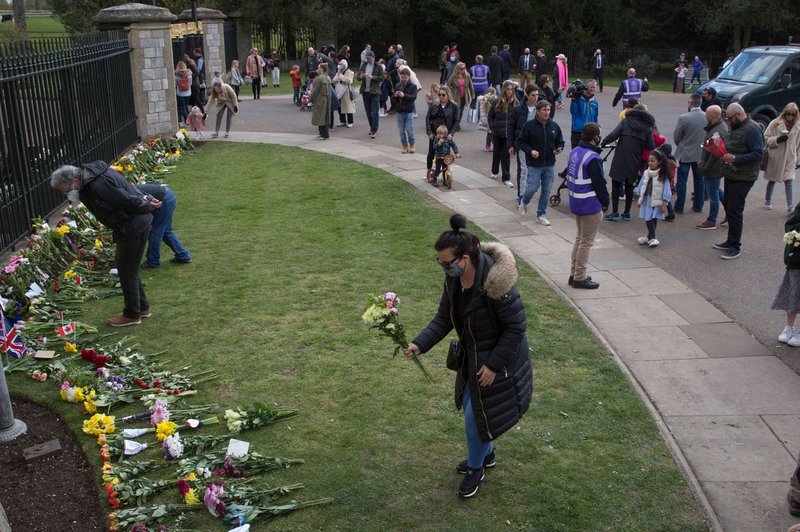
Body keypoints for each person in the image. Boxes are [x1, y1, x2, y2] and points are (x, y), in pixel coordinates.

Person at [402, 213, 533, 499]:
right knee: (472, 407)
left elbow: (516, 328)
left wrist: (494, 365)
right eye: (439, 262)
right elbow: (443, 318)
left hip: (498, 360)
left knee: (475, 418)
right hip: (473, 357)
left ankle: (476, 467)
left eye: (446, 263)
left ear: (464, 258)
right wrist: (418, 344)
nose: (443, 268)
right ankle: (486, 455)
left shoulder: (497, 283)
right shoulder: (454, 281)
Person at [49, 163, 160, 327]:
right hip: (130, 224)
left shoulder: (96, 185)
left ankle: (132, 314)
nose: (67, 194)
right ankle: (141, 308)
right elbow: (127, 189)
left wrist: (146, 204)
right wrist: (146, 199)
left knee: (126, 269)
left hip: (132, 225)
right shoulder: (93, 178)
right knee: (128, 267)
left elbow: (125, 199)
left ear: (74, 181)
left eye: (65, 190)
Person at [714, 103, 765, 260]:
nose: (728, 122)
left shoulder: (753, 129)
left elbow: (758, 154)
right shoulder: (736, 126)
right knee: (729, 207)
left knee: (735, 211)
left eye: (729, 118)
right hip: (731, 174)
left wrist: (736, 158)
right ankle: (730, 241)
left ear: (737, 115)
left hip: (744, 177)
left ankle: (735, 246)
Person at [567, 122, 609, 289]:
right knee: (586, 242)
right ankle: (579, 277)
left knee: (579, 239)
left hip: (576, 201)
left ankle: (574, 273)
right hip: (589, 204)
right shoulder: (593, 158)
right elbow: (600, 183)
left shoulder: (574, 152)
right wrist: (605, 202)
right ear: (595, 137)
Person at [602, 106, 656, 221]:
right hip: (634, 158)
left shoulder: (626, 122)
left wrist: (603, 143)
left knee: (616, 184)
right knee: (629, 185)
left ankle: (615, 212)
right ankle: (626, 213)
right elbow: (650, 146)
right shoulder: (647, 128)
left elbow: (614, 134)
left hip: (620, 156)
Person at [518, 100, 565, 225]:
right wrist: (530, 151)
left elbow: (560, 141)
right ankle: (524, 201)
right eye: (544, 110)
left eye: (548, 110)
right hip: (534, 164)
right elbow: (520, 142)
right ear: (538, 112)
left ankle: (541, 214)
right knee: (532, 187)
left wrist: (559, 148)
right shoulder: (529, 126)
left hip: (549, 163)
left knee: (546, 190)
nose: (547, 112)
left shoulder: (554, 126)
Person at [137, 184, 191, 269]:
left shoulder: (126, 196)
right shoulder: (126, 190)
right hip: (168, 196)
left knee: (155, 231)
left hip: (164, 200)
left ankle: (153, 261)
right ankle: (183, 255)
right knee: (166, 231)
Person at [673, 93, 707, 214]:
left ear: (690, 103)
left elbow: (677, 136)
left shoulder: (684, 117)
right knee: (699, 180)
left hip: (686, 152)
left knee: (682, 181)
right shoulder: (707, 117)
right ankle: (698, 205)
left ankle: (679, 206)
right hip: (700, 153)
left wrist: (682, 144)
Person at [763, 103, 800, 212]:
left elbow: (799, 145)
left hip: (790, 157)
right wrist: (778, 139)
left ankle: (790, 207)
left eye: (793, 114)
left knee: (789, 182)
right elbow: (766, 138)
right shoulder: (775, 123)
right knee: (772, 180)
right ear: (784, 113)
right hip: (776, 157)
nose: (790, 116)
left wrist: (798, 160)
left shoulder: (798, 126)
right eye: (788, 113)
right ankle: (767, 200)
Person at [697, 105, 729, 229]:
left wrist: (705, 165)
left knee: (713, 195)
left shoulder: (717, 130)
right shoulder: (718, 127)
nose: (705, 116)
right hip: (715, 167)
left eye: (707, 114)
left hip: (713, 168)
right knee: (717, 191)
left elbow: (714, 153)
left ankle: (711, 220)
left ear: (711, 116)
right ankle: (731, 212)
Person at [635, 150, 672, 248]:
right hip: (647, 199)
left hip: (656, 201)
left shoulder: (662, 175)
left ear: (659, 162)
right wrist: (640, 198)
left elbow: (667, 190)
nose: (650, 163)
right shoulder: (646, 173)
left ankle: (653, 236)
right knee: (649, 218)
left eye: (652, 161)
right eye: (649, 161)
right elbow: (641, 185)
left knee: (651, 219)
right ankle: (650, 236)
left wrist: (665, 203)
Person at [775, 203, 800, 349]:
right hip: (797, 259)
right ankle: (789, 327)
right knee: (793, 292)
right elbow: (790, 224)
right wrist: (795, 232)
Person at [507, 84, 539, 194]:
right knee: (523, 169)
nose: (535, 98)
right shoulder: (518, 110)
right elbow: (511, 127)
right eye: (533, 95)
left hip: (536, 143)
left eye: (537, 95)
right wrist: (510, 144)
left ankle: (529, 192)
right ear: (527, 95)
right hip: (522, 144)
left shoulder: (539, 109)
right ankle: (521, 194)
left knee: (534, 170)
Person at [425, 86, 459, 180]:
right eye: (439, 95)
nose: (441, 97)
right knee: (431, 153)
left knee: (445, 155)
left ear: (448, 95)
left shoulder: (454, 106)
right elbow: (427, 118)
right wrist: (429, 132)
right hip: (435, 134)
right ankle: (429, 171)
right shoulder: (434, 104)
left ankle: (445, 176)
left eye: (443, 95)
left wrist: (451, 134)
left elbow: (456, 121)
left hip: (446, 134)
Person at [488, 81, 517, 187]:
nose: (509, 91)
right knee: (496, 153)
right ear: (504, 89)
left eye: (511, 89)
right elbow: (490, 116)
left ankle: (506, 178)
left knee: (506, 155)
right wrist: (492, 126)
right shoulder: (497, 102)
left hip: (508, 135)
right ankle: (494, 171)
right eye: (508, 89)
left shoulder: (515, 103)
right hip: (497, 132)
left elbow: (517, 119)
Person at [358, 50, 385, 139]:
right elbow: (358, 77)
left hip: (375, 92)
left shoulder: (378, 66)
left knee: (374, 112)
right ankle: (371, 127)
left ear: (373, 58)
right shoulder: (364, 65)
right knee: (368, 112)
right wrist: (361, 76)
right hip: (365, 92)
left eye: (369, 58)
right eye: (367, 58)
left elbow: (382, 77)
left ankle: (374, 130)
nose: (368, 60)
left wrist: (372, 77)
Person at [393, 66, 418, 153]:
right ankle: (404, 145)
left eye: (405, 77)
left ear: (409, 77)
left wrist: (404, 95)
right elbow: (393, 99)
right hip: (400, 111)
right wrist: (395, 95)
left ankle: (412, 144)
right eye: (402, 77)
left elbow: (413, 97)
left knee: (409, 129)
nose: (403, 79)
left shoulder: (413, 86)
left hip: (408, 111)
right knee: (401, 131)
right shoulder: (398, 85)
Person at [568, 79, 598, 149]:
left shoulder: (594, 102)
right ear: (586, 87)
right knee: (577, 154)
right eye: (591, 87)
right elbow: (573, 111)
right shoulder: (578, 99)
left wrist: (596, 130)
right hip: (578, 131)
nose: (592, 89)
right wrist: (574, 99)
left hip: (590, 132)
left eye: (594, 87)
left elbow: (595, 117)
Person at [447, 62, 475, 131]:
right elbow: (448, 85)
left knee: (461, 111)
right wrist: (448, 94)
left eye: (464, 68)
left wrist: (472, 94)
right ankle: (455, 125)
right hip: (455, 96)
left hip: (464, 96)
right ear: (457, 69)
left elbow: (470, 85)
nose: (463, 70)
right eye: (461, 68)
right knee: (456, 111)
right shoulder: (453, 76)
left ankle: (457, 125)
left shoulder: (467, 76)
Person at [310, 63, 332, 140]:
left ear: (322, 69)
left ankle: (323, 134)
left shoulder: (319, 78)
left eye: (319, 68)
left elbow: (315, 90)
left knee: (320, 116)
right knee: (325, 116)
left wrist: (310, 99)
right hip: (327, 99)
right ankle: (325, 134)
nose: (318, 69)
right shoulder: (328, 77)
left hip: (320, 99)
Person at [332, 60, 355, 127]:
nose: (339, 66)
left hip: (346, 91)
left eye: (341, 64)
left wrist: (341, 76)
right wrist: (338, 77)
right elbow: (333, 80)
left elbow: (349, 81)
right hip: (339, 91)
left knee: (348, 106)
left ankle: (350, 121)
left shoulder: (350, 72)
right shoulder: (338, 72)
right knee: (339, 107)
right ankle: (342, 121)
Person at [174, 61, 192, 126]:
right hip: (188, 93)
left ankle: (187, 121)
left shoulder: (177, 75)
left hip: (180, 93)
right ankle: (190, 119)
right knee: (186, 107)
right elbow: (190, 83)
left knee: (183, 108)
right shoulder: (189, 74)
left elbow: (176, 84)